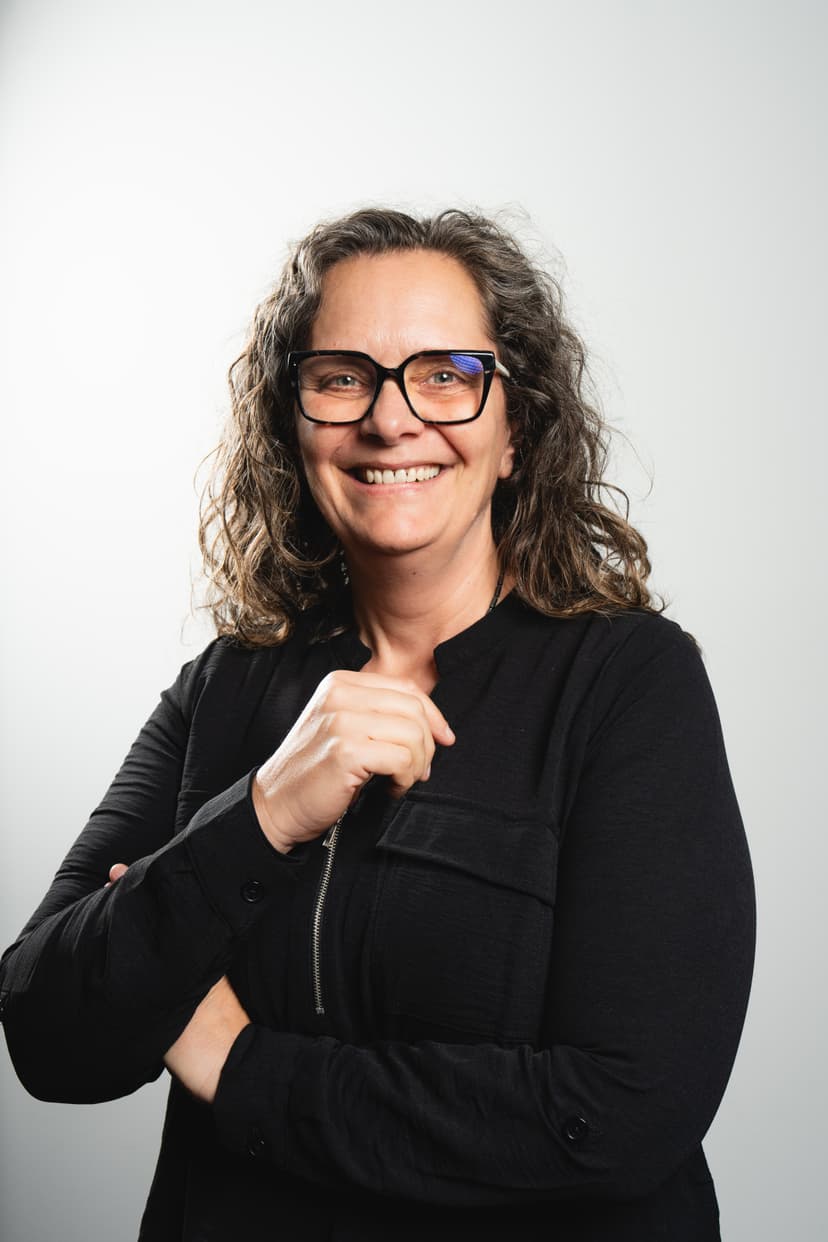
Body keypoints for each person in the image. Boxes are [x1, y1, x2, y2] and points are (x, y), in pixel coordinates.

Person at [0, 207, 755, 1241]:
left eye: (446, 374)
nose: (392, 419)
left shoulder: (628, 684)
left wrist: (237, 1065)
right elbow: (47, 1031)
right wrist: (262, 813)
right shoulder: (224, 688)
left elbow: (620, 1115)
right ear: (295, 424)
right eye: (343, 377)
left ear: (515, 430)